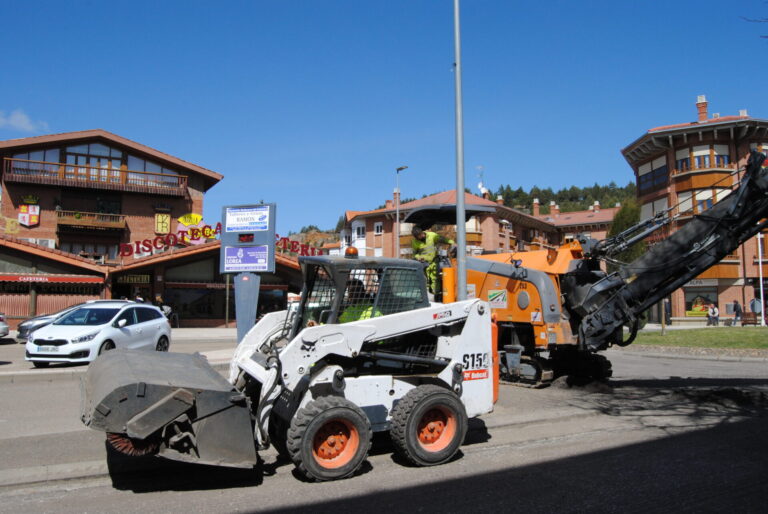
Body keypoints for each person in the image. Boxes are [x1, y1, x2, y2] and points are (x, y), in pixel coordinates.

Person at [411, 226, 455, 296]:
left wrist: (451, 242)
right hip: (424, 263)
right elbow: (415, 254)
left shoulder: (432, 235)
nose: (421, 236)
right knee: (426, 280)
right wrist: (418, 257)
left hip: (434, 261)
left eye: (421, 234)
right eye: (418, 236)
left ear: (422, 232)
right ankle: (427, 296)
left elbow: (442, 239)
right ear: (416, 237)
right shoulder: (415, 242)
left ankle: (435, 294)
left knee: (435, 278)